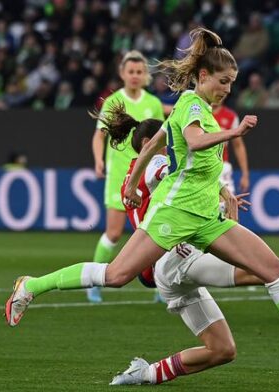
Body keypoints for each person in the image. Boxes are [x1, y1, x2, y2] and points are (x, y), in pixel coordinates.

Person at [5, 28, 279, 368]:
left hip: (207, 217)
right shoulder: (193, 106)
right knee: (117, 275)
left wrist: (134, 183)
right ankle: (31, 286)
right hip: (175, 212)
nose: (227, 89)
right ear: (204, 76)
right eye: (223, 81)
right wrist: (236, 130)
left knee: (271, 269)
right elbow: (192, 142)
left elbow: (156, 142)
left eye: (232, 83)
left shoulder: (193, 108)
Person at [84, 105, 279, 385]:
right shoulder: (157, 164)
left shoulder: (138, 176)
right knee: (265, 270)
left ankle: (146, 373)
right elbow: (171, 175)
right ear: (149, 143)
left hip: (172, 256)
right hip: (174, 257)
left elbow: (179, 200)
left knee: (223, 349)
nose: (174, 144)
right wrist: (221, 191)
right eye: (170, 139)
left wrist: (218, 202)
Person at [88, 50, 164, 303]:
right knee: (114, 232)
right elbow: (99, 135)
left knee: (155, 231)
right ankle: (93, 282)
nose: (134, 76)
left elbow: (161, 139)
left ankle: (161, 285)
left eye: (139, 72)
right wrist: (99, 160)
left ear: (146, 76)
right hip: (120, 175)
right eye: (130, 72)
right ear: (122, 74)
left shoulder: (152, 103)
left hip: (149, 177)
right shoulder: (113, 102)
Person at [213, 103, 250, 194]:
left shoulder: (231, 116)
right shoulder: (198, 112)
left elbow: (238, 145)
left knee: (229, 204)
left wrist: (245, 174)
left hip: (222, 167)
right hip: (201, 167)